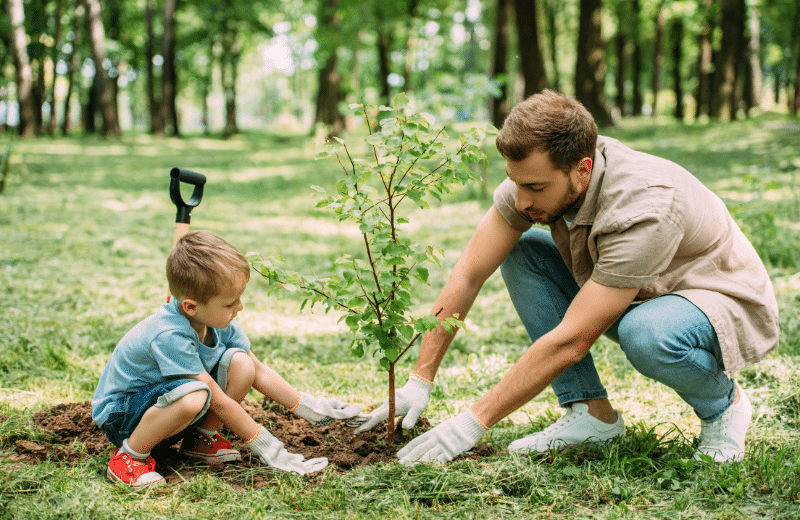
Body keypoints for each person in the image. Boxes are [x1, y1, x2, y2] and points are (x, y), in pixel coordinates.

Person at [355, 90, 780, 465]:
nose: (522, 201)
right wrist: (419, 378)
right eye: (514, 183)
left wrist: (472, 422)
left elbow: (573, 339)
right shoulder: (534, 179)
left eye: (536, 188)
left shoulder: (644, 207)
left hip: (714, 299)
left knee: (645, 333)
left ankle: (724, 407)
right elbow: (468, 273)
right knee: (523, 253)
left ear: (582, 168)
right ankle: (591, 415)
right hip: (639, 289)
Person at [92, 230, 361, 488]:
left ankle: (200, 440)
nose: (239, 307)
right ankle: (129, 458)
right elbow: (217, 402)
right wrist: (270, 448)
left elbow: (258, 371)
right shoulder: (169, 334)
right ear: (191, 306)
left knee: (242, 364)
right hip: (123, 416)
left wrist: (310, 408)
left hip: (163, 408)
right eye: (230, 303)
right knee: (196, 394)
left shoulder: (215, 320)